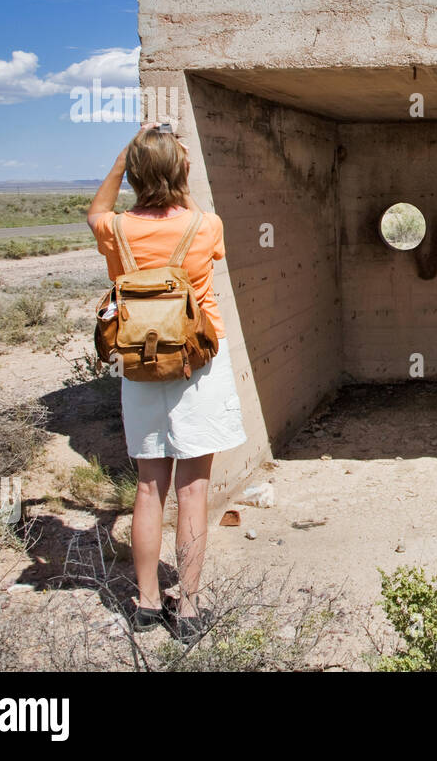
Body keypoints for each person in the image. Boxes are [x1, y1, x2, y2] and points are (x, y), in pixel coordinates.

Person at [87, 124, 245, 642]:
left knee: (149, 488)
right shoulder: (206, 225)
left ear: (133, 173)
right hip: (196, 366)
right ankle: (190, 607)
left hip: (139, 366)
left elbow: (95, 212)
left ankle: (149, 603)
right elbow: (199, 223)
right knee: (193, 492)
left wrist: (125, 159)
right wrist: (181, 174)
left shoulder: (117, 229)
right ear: (181, 171)